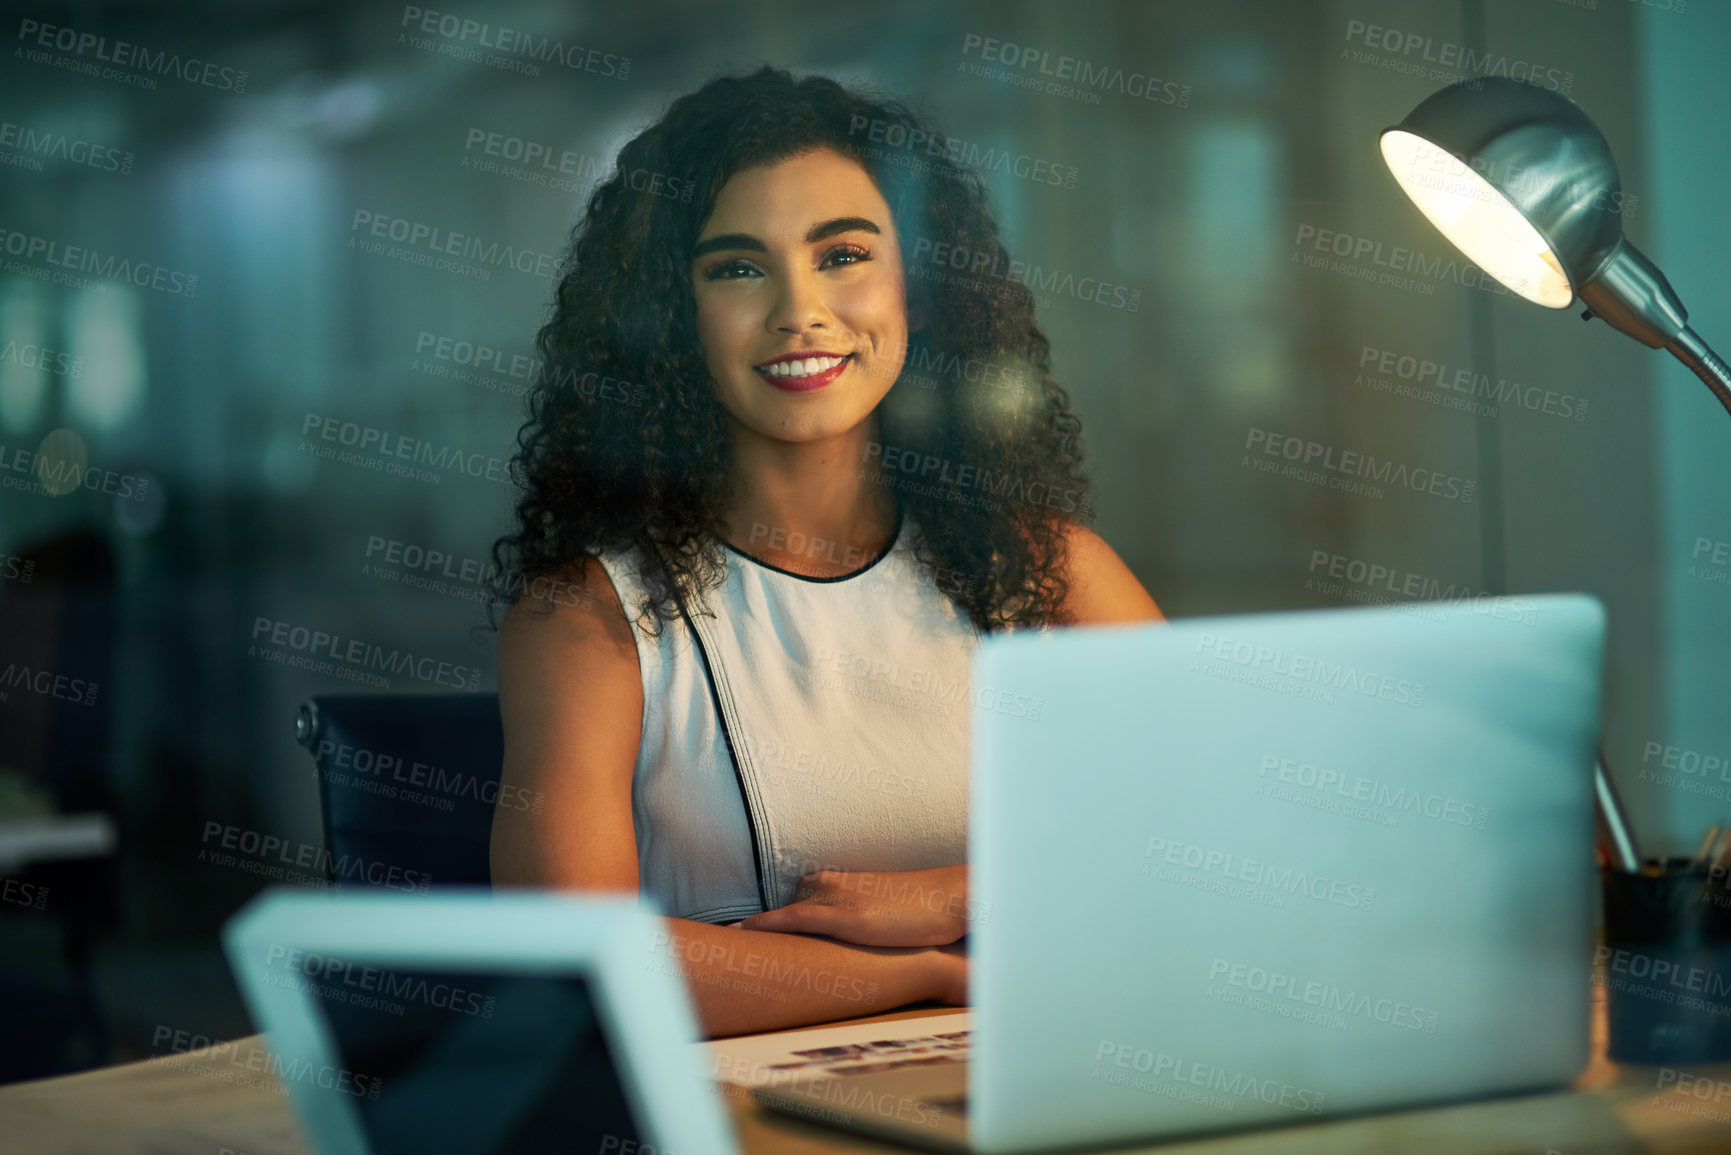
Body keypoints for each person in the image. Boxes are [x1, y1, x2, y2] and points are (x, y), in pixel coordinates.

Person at [488, 66, 1161, 1038]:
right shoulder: (585, 618)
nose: (799, 311)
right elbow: (574, 963)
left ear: (919, 290)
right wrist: (924, 978)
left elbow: (1216, 854)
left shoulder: (1053, 570)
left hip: (1054, 1071)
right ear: (675, 320)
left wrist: (955, 898)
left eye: (843, 253)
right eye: (737, 268)